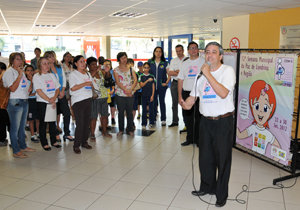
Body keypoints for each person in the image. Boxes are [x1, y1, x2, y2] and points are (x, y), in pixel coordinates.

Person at [181, 42, 236, 207]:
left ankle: (221, 194)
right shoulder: (201, 76)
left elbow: (223, 93)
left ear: (220, 56)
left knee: (222, 159)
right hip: (205, 122)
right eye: (207, 52)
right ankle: (207, 186)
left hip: (223, 121)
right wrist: (187, 103)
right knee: (205, 158)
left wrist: (207, 74)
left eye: (214, 52)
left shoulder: (227, 71)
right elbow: (194, 96)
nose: (210, 55)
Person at [2, 52, 36, 158]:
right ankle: (16, 150)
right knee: (14, 127)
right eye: (17, 59)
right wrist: (20, 75)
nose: (20, 61)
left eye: (21, 59)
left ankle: (23, 146)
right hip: (15, 102)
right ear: (12, 61)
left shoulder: (21, 72)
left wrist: (31, 82)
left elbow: (27, 89)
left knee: (22, 127)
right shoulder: (9, 72)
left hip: (24, 101)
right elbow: (12, 88)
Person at [177, 41, 204, 146]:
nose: (193, 49)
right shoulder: (185, 63)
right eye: (191, 48)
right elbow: (180, 80)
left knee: (198, 117)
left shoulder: (203, 62)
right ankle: (189, 138)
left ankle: (198, 140)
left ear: (198, 50)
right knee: (187, 117)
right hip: (187, 93)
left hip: (199, 94)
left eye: (195, 48)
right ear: (188, 51)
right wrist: (180, 96)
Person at [44, 51, 74, 142]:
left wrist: (63, 90)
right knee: (54, 116)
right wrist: (57, 93)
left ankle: (67, 133)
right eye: (49, 57)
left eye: (53, 56)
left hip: (61, 94)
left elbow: (64, 80)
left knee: (67, 113)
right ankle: (55, 134)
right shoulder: (46, 69)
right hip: (52, 96)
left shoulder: (59, 67)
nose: (52, 58)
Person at [33, 57, 62, 151]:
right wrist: (49, 100)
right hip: (43, 103)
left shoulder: (51, 75)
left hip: (53, 101)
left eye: (47, 63)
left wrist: (54, 98)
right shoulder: (37, 76)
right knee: (43, 123)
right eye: (44, 63)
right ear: (40, 66)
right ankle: (44, 142)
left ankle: (53, 141)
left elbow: (57, 88)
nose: (47, 65)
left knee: (52, 122)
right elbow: (39, 91)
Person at [69, 55, 93, 154]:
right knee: (80, 124)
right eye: (80, 62)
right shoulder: (73, 74)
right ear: (75, 63)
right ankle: (76, 145)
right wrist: (84, 84)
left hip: (88, 99)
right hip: (78, 101)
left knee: (87, 123)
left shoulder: (87, 73)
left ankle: (84, 142)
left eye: (84, 61)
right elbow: (72, 88)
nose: (83, 63)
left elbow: (91, 84)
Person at [87, 57, 112, 141]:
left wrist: (107, 71)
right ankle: (92, 134)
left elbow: (108, 78)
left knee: (104, 115)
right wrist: (95, 71)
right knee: (93, 117)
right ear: (88, 66)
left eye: (95, 64)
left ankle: (104, 131)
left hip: (104, 96)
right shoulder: (87, 74)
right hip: (95, 98)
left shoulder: (101, 73)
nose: (94, 66)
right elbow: (88, 80)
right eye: (92, 64)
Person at [113, 52, 137, 136]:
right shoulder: (116, 69)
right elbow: (118, 82)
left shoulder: (131, 68)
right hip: (120, 94)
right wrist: (126, 90)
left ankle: (130, 129)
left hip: (130, 93)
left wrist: (130, 90)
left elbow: (135, 80)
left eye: (125, 57)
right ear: (119, 59)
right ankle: (121, 130)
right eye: (122, 58)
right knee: (121, 112)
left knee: (129, 112)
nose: (124, 59)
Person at [148, 46, 170, 126]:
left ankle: (163, 119)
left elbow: (169, 74)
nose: (158, 53)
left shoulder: (165, 63)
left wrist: (166, 82)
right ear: (154, 52)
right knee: (152, 102)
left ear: (162, 53)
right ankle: (152, 119)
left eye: (160, 51)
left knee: (162, 102)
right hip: (152, 87)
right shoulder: (150, 62)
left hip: (162, 87)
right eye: (157, 51)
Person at [168, 44, 187, 127]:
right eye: (177, 51)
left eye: (180, 50)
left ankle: (186, 123)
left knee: (185, 103)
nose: (178, 52)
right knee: (174, 103)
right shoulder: (173, 61)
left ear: (183, 51)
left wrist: (177, 72)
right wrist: (180, 72)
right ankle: (175, 121)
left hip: (185, 83)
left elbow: (187, 73)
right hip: (175, 83)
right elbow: (170, 72)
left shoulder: (187, 60)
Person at [25, 65, 40, 143]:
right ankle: (32, 135)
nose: (30, 72)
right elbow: (29, 92)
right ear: (25, 72)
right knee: (31, 119)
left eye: (31, 70)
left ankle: (38, 133)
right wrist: (31, 82)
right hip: (30, 101)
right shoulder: (25, 81)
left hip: (36, 100)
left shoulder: (36, 79)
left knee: (38, 118)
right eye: (28, 70)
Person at [138, 62, 155, 130]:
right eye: (145, 67)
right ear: (143, 68)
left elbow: (153, 86)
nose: (146, 69)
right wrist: (147, 80)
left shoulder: (152, 76)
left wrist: (153, 95)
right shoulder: (141, 76)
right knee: (144, 110)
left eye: (148, 68)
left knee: (151, 109)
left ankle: (151, 122)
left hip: (150, 94)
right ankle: (144, 124)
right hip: (143, 95)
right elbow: (141, 85)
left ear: (149, 68)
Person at [61, 52, 75, 121]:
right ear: (64, 57)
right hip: (65, 84)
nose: (68, 58)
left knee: (72, 100)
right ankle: (66, 113)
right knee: (66, 100)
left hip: (72, 84)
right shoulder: (61, 66)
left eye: (70, 57)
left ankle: (73, 114)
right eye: (67, 56)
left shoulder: (72, 66)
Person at [0, 62, 9, 147]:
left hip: (3, 104)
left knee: (4, 122)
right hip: (2, 104)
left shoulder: (4, 77)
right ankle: (2, 139)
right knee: (3, 122)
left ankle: (2, 139)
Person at [104, 59, 116, 125]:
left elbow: (113, 82)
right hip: (104, 91)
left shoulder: (112, 72)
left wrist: (113, 90)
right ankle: (105, 119)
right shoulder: (101, 72)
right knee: (104, 106)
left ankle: (113, 117)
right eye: (106, 64)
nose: (107, 65)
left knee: (112, 105)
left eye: (108, 64)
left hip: (111, 91)